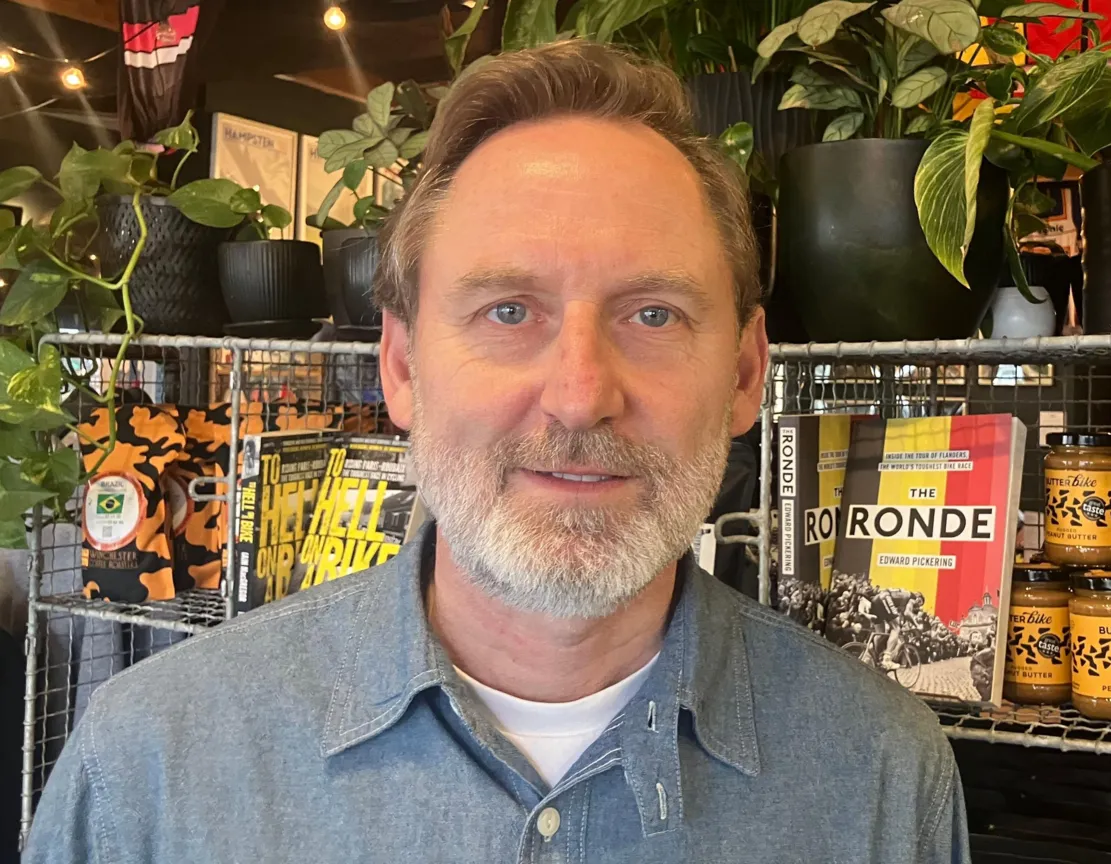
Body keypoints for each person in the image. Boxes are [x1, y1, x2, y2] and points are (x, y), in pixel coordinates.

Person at [24, 41, 968, 863]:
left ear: (745, 373)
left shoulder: (880, 779)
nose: (579, 394)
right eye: (508, 311)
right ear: (400, 365)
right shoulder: (150, 767)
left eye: (653, 314)